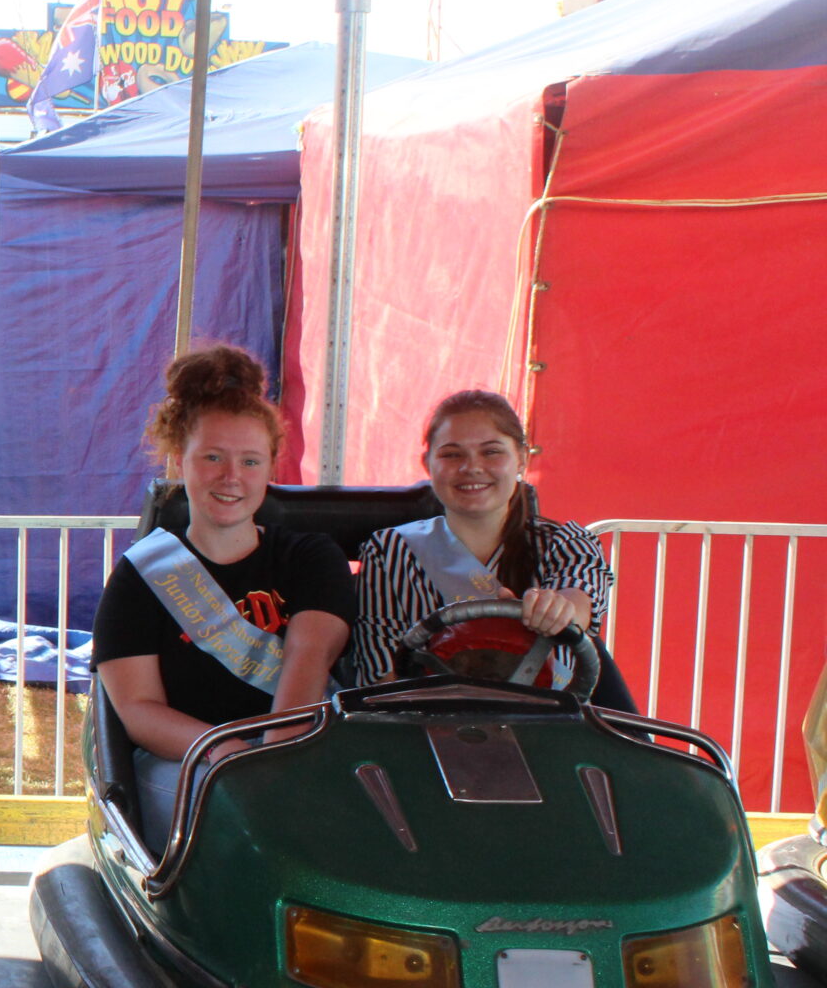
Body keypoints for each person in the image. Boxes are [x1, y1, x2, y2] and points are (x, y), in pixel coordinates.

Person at [93, 346, 357, 845]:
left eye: (249, 461)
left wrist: (273, 759)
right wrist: (222, 751)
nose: (230, 476)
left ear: (270, 468)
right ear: (180, 460)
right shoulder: (139, 578)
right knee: (232, 807)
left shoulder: (310, 557)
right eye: (212, 457)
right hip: (189, 757)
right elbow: (139, 709)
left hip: (296, 743)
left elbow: (309, 656)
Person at [355, 389, 628, 704]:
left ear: (522, 459)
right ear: (427, 464)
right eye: (452, 454)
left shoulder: (567, 542)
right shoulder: (390, 550)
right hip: (428, 729)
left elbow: (579, 602)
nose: (471, 467)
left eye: (491, 452)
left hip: (552, 729)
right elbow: (382, 675)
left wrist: (556, 610)